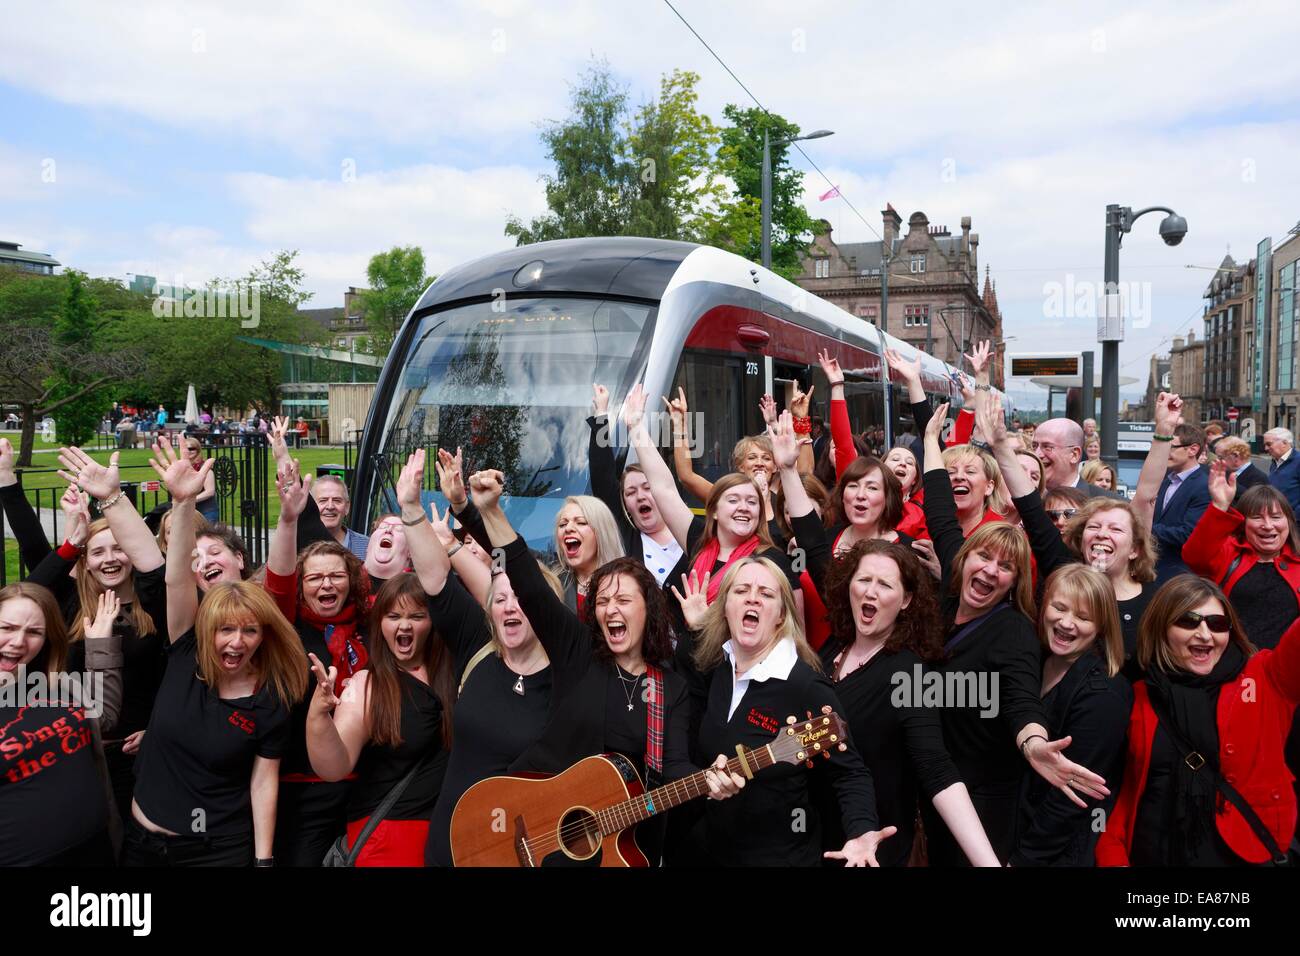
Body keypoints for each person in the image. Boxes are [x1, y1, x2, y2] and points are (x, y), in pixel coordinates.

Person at [470, 465, 736, 865]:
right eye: (602, 601)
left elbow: (674, 766)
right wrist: (490, 511)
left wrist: (710, 781)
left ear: (649, 611)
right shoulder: (576, 653)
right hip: (529, 823)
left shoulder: (671, 688)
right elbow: (527, 581)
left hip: (610, 850)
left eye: (624, 601)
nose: (611, 608)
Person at [769, 411, 1000, 866]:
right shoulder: (832, 651)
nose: (871, 591)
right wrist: (786, 469)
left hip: (869, 843)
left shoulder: (909, 673)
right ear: (846, 586)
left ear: (909, 600)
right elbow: (814, 541)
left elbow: (936, 768)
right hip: (810, 831)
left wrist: (987, 863)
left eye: (886, 585)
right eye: (863, 580)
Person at [920, 402, 1108, 864]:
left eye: (1006, 567)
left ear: (1016, 581)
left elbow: (1022, 699)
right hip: (930, 785)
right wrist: (929, 442)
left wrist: (1033, 742)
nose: (992, 570)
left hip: (983, 802)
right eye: (984, 558)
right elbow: (942, 512)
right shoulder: (948, 589)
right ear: (963, 561)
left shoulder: (1013, 632)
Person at [126, 449, 306, 867]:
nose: (236, 642)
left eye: (249, 630)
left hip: (216, 851)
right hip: (141, 845)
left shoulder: (270, 696)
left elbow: (264, 780)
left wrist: (263, 860)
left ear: (265, 634)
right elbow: (175, 579)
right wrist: (184, 503)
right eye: (225, 630)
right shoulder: (185, 649)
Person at [673, 554, 896, 866]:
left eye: (766, 594)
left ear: (780, 615)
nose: (753, 598)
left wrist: (860, 831)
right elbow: (688, 657)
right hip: (715, 850)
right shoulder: (720, 665)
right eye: (741, 591)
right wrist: (698, 626)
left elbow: (850, 773)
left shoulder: (804, 685)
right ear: (724, 607)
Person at [1096, 575, 1300, 866]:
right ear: (1162, 627)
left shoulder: (1264, 679)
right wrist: (1112, 856)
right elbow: (1120, 794)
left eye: (1217, 624)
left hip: (1243, 857)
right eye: (1189, 621)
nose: (1205, 634)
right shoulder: (1139, 695)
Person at [977, 394, 1159, 678]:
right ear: (1080, 538)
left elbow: (1146, 496)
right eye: (1094, 528)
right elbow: (1030, 506)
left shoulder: (1154, 600)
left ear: (1135, 548)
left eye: (1115, 529)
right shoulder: (1063, 567)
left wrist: (1163, 434)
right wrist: (1000, 445)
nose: (1103, 535)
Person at [305, 570, 454, 867]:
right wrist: (318, 715)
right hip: (389, 839)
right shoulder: (365, 684)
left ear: (433, 622)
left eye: (416, 616)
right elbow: (334, 767)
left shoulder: (456, 675)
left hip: (453, 832)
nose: (404, 625)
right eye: (393, 616)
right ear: (380, 625)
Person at [264, 459, 371, 865]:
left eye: (336, 576)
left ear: (351, 581)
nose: (327, 584)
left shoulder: (368, 625)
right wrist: (288, 521)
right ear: (301, 587)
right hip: (302, 789)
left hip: (363, 786)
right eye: (314, 578)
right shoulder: (286, 626)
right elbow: (278, 580)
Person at [1010, 565, 1132, 865]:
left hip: (1055, 851)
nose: (1066, 623)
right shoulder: (1035, 659)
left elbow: (1072, 797)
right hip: (1015, 826)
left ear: (1101, 626)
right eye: (1059, 608)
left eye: (1083, 617)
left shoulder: (1104, 693)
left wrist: (1024, 860)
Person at [0, 583, 123, 865]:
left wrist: (100, 644)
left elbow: (104, 718)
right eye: (7, 628)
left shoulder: (57, 685)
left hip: (97, 849)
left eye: (34, 632)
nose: (19, 641)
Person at [588, 384, 684, 587]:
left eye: (648, 488)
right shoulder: (627, 537)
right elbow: (602, 475)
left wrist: (636, 425)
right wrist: (600, 415)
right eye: (630, 492)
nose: (640, 496)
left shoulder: (692, 534)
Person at [1149, 423, 1210, 580]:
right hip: (1153, 568)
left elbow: (1189, 535)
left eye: (1171, 447)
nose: (1165, 453)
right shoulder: (1165, 479)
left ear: (1193, 450)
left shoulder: (1204, 486)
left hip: (1178, 575)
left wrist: (1147, 528)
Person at [552, 494, 625, 613]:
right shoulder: (551, 581)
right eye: (562, 524)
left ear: (602, 532)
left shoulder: (630, 582)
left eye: (581, 522)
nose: (568, 528)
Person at [1032, 418, 1122, 500]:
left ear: (1074, 454)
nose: (1037, 454)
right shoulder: (1024, 499)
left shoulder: (1111, 506)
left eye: (1047, 447)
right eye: (1034, 446)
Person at [311, 474, 369, 560]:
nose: (330, 506)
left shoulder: (367, 547)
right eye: (323, 500)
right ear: (311, 506)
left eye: (337, 500)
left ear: (347, 507)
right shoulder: (296, 545)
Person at [1214, 436, 1268, 501]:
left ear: (1235, 456)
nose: (1218, 461)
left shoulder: (1259, 477)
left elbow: (1255, 504)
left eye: (1220, 458)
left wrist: (1230, 484)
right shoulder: (1227, 473)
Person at [182, 436, 219, 523]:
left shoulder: (204, 468)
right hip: (188, 511)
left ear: (198, 450)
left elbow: (210, 491)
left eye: (192, 448)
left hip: (206, 511)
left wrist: (190, 499)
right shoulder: (182, 467)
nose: (189, 451)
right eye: (186, 448)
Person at [1264, 427, 1300, 514]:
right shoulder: (1275, 461)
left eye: (1269, 444)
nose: (1265, 448)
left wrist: (1295, 517)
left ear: (1284, 443)